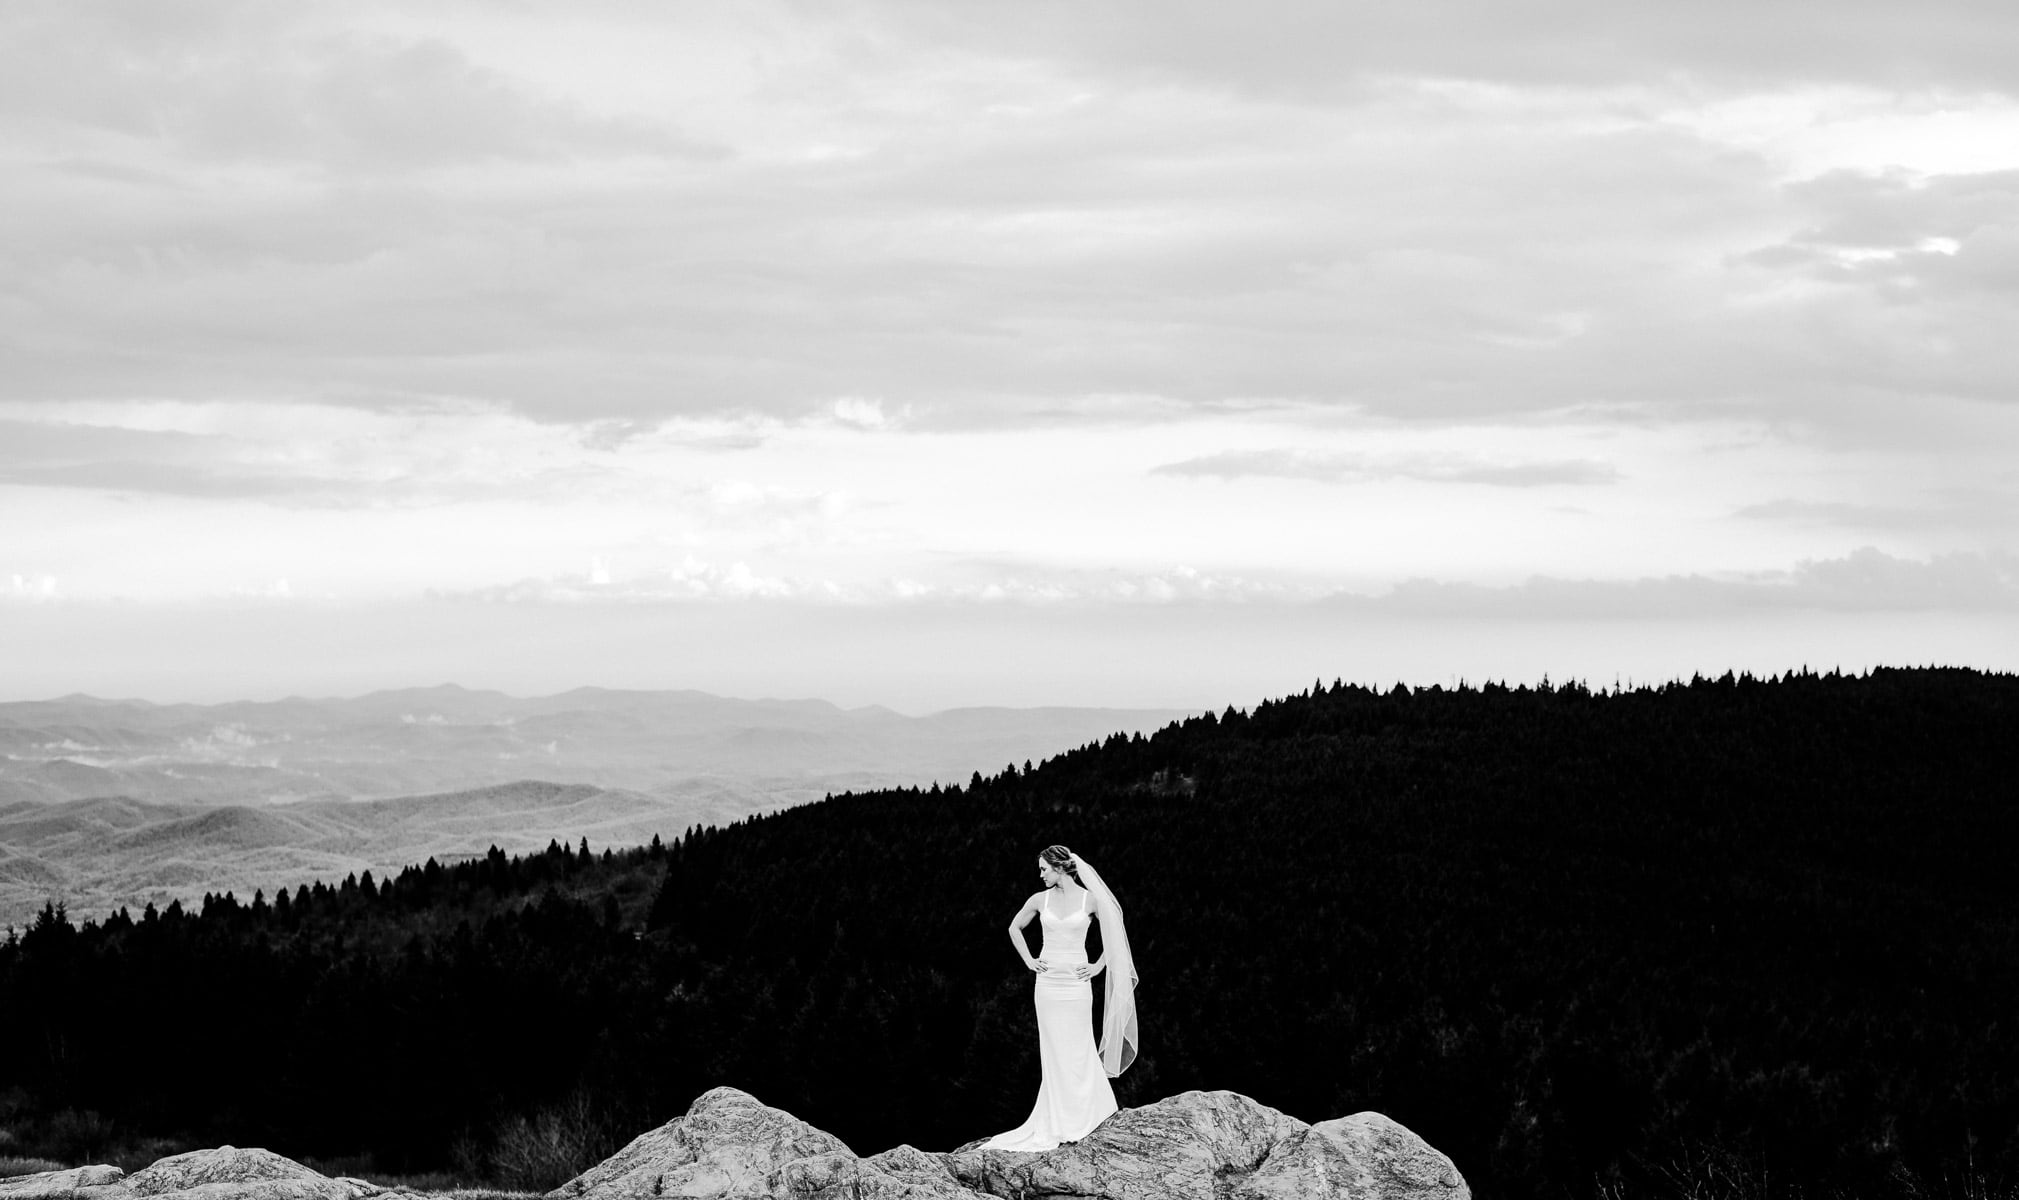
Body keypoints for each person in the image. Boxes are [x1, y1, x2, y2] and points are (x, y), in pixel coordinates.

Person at [981, 844, 1138, 1151]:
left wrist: (1098, 966)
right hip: (1048, 985)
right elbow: (1014, 927)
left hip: (1077, 987)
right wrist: (1028, 960)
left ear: (1059, 867)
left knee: (1080, 1046)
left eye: (1044, 869)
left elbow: (1116, 935)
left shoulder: (1090, 900)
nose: (1040, 875)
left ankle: (1089, 1114)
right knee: (1053, 1050)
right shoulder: (1040, 899)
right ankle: (1057, 1119)